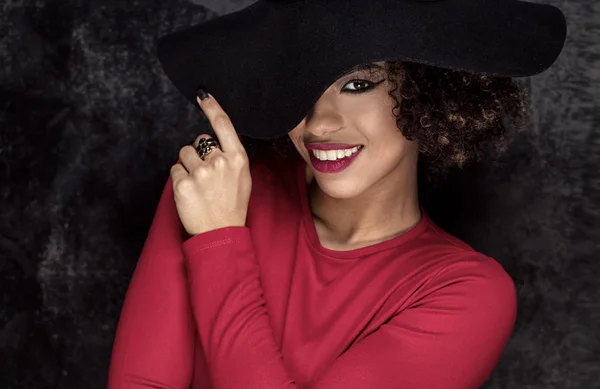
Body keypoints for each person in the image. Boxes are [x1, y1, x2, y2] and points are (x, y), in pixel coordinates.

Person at [107, 1, 567, 388]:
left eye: (357, 85)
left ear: (429, 93)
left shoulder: (468, 294)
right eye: (297, 87)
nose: (319, 123)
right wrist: (216, 223)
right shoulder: (214, 187)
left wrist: (220, 241)